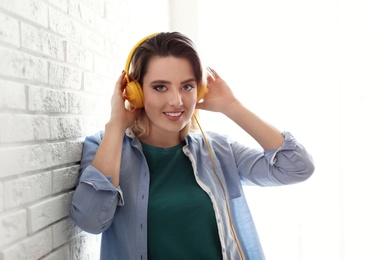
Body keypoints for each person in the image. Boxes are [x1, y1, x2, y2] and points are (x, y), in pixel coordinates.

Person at [69, 32, 315, 260]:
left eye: (187, 86)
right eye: (160, 87)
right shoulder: (105, 147)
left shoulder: (218, 149)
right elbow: (90, 221)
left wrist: (231, 106)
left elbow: (297, 167)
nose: (176, 101)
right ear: (136, 92)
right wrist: (116, 125)